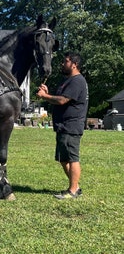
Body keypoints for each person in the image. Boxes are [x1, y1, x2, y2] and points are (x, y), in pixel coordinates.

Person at [37, 52, 88, 199]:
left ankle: (72, 191)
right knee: (63, 158)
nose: (62, 64)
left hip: (71, 125)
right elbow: (58, 98)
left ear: (74, 64)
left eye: (65, 61)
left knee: (72, 158)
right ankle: (75, 186)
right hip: (63, 126)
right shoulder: (68, 80)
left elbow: (62, 100)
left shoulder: (77, 81)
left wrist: (44, 96)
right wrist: (48, 93)